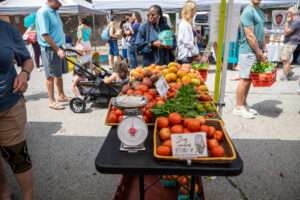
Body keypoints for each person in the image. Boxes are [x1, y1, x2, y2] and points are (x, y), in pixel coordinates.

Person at [0, 19, 34, 200]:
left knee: (18, 157)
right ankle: (4, 193)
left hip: (8, 107)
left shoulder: (7, 29)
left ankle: (28, 197)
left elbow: (27, 59)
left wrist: (24, 74)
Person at [233, 0, 268, 119]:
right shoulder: (247, 12)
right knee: (245, 79)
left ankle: (244, 104)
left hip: (256, 50)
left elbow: (262, 33)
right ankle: (237, 108)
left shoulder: (261, 13)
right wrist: (259, 53)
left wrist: (265, 50)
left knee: (250, 79)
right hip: (248, 51)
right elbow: (250, 36)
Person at [36, 0, 71, 110]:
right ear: (51, 0)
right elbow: (45, 35)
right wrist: (57, 49)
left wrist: (61, 47)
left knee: (58, 73)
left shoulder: (54, 11)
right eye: (59, 2)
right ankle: (52, 101)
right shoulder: (43, 12)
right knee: (50, 75)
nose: (61, 5)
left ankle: (61, 95)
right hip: (49, 49)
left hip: (58, 47)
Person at [279, 7, 300, 81]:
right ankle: (290, 72)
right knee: (282, 58)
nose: (287, 13)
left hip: (290, 43)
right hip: (288, 42)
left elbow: (287, 32)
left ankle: (284, 76)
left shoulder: (296, 21)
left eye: (288, 12)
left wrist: (287, 23)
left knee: (284, 60)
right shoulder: (294, 20)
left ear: (292, 13)